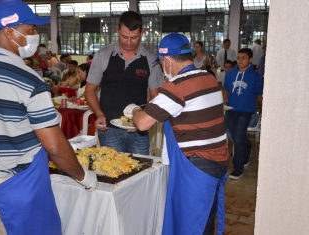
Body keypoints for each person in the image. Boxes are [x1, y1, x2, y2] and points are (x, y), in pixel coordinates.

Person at [0, 1, 97, 234]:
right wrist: (83, 176)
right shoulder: (29, 80)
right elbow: (55, 146)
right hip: (20, 194)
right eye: (31, 30)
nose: (36, 36)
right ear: (9, 32)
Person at [124, 33, 228, 234]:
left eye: (162, 63)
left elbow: (144, 123)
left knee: (191, 226)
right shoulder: (208, 77)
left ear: (167, 61)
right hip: (217, 162)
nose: (163, 68)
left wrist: (134, 110)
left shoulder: (177, 85)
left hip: (196, 168)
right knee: (204, 223)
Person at [85, 11, 164, 155]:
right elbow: (90, 90)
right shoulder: (103, 55)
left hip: (139, 132)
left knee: (140, 170)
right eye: (124, 37)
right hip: (109, 129)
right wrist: (99, 114)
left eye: (134, 38)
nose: (129, 42)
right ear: (117, 30)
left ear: (142, 33)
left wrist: (142, 118)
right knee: (113, 171)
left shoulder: (151, 60)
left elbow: (154, 96)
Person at [223, 48, 263, 180]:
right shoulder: (230, 74)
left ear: (250, 60)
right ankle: (247, 149)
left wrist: (263, 111)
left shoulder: (255, 77)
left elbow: (259, 95)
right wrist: (224, 104)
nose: (240, 60)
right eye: (238, 57)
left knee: (238, 138)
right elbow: (226, 90)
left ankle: (238, 168)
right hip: (231, 110)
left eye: (243, 58)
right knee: (235, 137)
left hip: (246, 111)